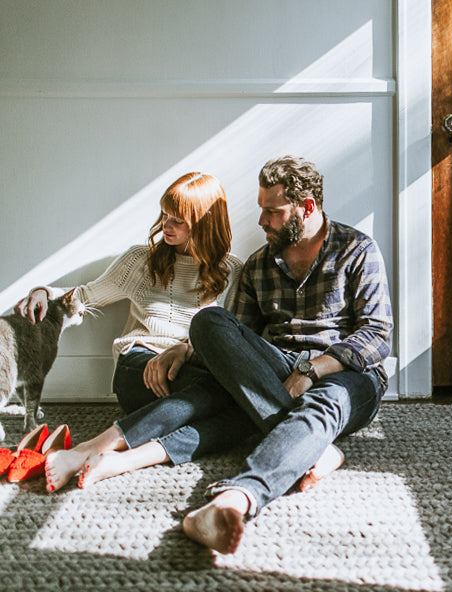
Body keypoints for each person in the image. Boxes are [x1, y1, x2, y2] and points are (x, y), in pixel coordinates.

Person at [178, 155, 394, 554]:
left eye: (272, 212)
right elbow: (233, 341)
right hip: (278, 370)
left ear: (307, 207)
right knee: (209, 321)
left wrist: (313, 369)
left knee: (326, 401)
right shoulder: (259, 264)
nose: (261, 221)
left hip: (345, 374)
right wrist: (182, 350)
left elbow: (378, 336)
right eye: (262, 210)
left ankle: (234, 499)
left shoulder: (357, 249)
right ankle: (319, 448)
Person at [14, 172, 245, 490]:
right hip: (140, 367)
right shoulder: (141, 261)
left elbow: (230, 337)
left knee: (233, 412)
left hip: (193, 370)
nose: (166, 225)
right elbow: (86, 294)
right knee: (227, 401)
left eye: (177, 220)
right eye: (164, 215)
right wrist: (43, 291)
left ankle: (112, 459)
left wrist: (187, 350)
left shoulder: (231, 271)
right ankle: (89, 449)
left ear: (205, 223)